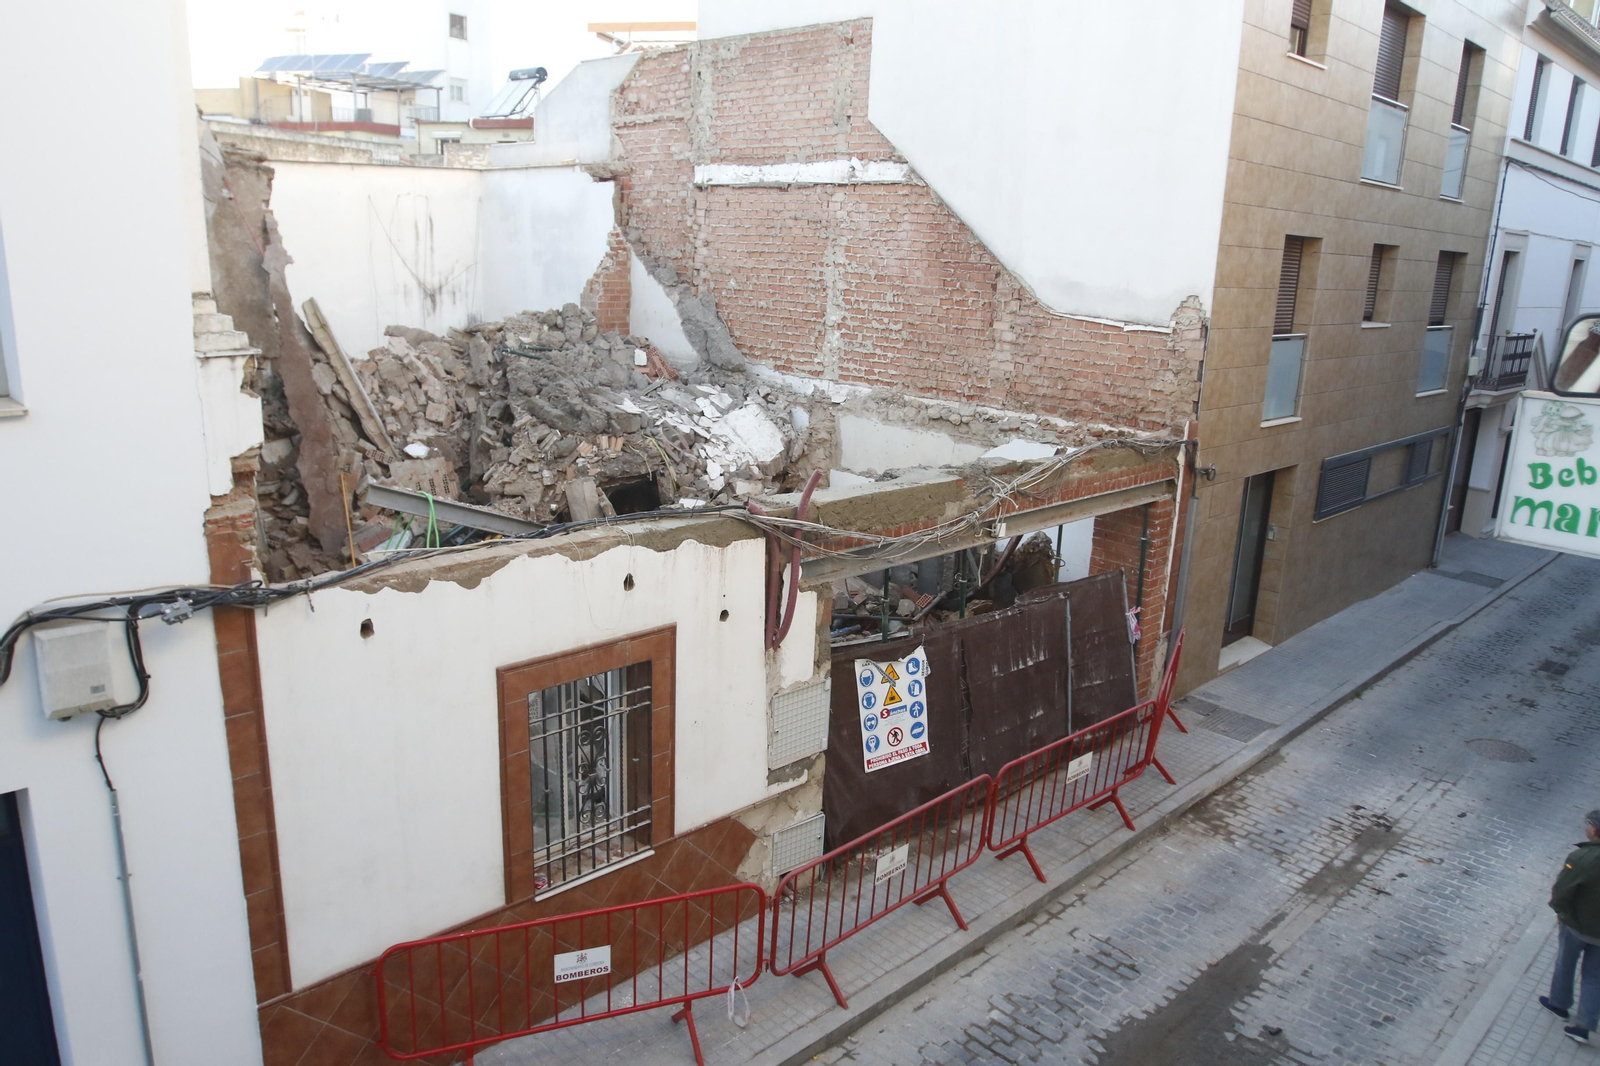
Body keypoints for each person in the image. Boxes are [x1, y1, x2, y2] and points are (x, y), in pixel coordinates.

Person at [1542, 810, 1600, 1043]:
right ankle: (1583, 1027)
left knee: (1566, 963)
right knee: (1594, 977)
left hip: (1576, 925)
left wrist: (1560, 910)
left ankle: (1559, 1004)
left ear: (1595, 830)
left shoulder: (1582, 859)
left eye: (1587, 824)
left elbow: (1562, 891)